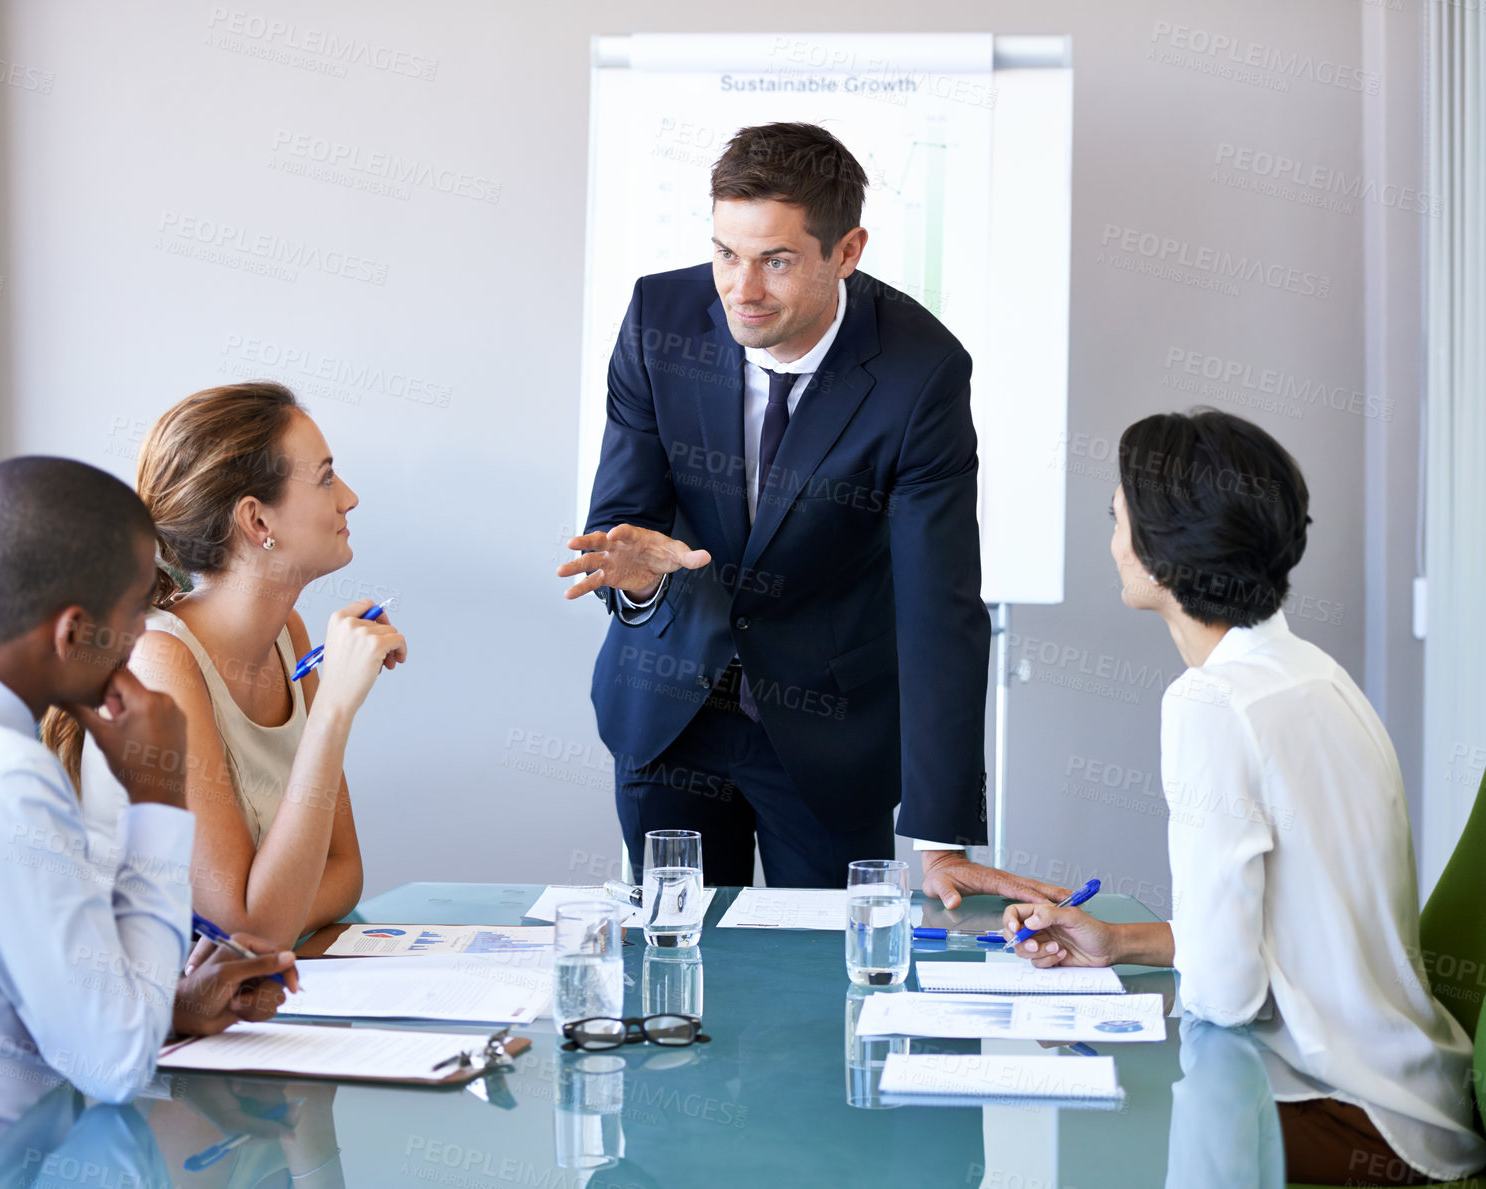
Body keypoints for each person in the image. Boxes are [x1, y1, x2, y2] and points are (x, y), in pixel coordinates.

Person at [558, 120, 1065, 901]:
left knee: (828, 989)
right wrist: (638, 582)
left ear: (847, 252)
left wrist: (939, 838)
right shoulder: (660, 320)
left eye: (777, 261)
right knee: (673, 979)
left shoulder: (920, 373)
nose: (741, 288)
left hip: (830, 735)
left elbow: (940, 609)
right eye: (726, 252)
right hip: (670, 711)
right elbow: (624, 528)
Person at [1001, 410, 1486, 1186]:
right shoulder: (1314, 674)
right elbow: (1284, 934)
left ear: (1162, 553)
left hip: (1351, 1115)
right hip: (1416, 1098)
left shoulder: (1210, 703)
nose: (1112, 540)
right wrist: (1120, 942)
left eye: (1117, 518)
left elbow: (1226, 993)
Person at [0, 457, 296, 1159]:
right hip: (40, 1163)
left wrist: (170, 1003)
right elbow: (117, 1063)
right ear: (74, 634)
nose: (141, 641)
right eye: (135, 618)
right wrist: (157, 798)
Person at [46, 383, 404, 949]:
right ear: (257, 522)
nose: (350, 498)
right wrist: (334, 706)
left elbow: (344, 874)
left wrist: (270, 912)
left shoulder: (290, 636)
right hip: (166, 1024)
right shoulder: (160, 662)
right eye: (327, 477)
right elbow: (246, 929)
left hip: (266, 996)